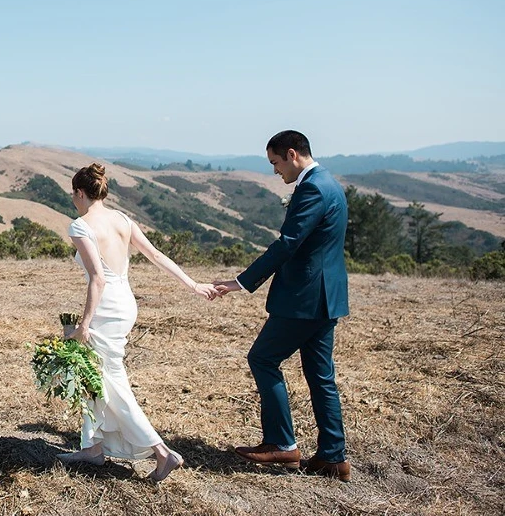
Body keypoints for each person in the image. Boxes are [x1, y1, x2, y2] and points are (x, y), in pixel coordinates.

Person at [59, 163, 217, 482]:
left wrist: (84, 324)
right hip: (126, 303)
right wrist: (193, 285)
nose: (73, 200)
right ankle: (92, 447)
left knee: (110, 381)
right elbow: (156, 255)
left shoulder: (80, 226)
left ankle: (161, 452)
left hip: (105, 308)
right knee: (95, 377)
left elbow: (97, 279)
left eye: (73, 195)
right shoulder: (122, 219)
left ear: (79, 193)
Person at [213, 130, 352, 482]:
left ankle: (281, 443)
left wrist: (240, 282)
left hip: (303, 299)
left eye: (275, 163)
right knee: (321, 377)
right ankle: (333, 457)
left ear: (292, 154)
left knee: (262, 358)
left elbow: (287, 244)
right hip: (326, 297)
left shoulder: (313, 188)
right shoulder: (330, 183)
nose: (275, 171)